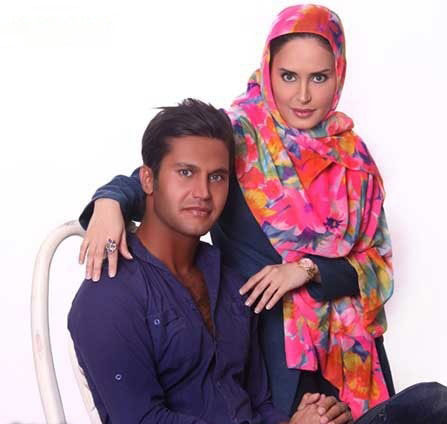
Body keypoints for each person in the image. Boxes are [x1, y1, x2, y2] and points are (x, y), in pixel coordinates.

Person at [77, 4, 393, 419]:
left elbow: (377, 265)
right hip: (267, 355)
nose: (302, 95)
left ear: (339, 74)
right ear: (268, 70)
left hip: (349, 351)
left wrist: (307, 269)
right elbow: (168, 182)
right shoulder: (240, 134)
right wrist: (109, 200)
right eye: (288, 76)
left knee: (427, 404)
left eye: (319, 77)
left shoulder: (353, 159)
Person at [69, 98, 353, 424]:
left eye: (217, 177)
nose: (203, 192)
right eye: (185, 173)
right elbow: (142, 420)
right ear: (147, 180)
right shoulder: (108, 296)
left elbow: (258, 404)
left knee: (404, 407)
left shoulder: (231, 282)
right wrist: (108, 200)